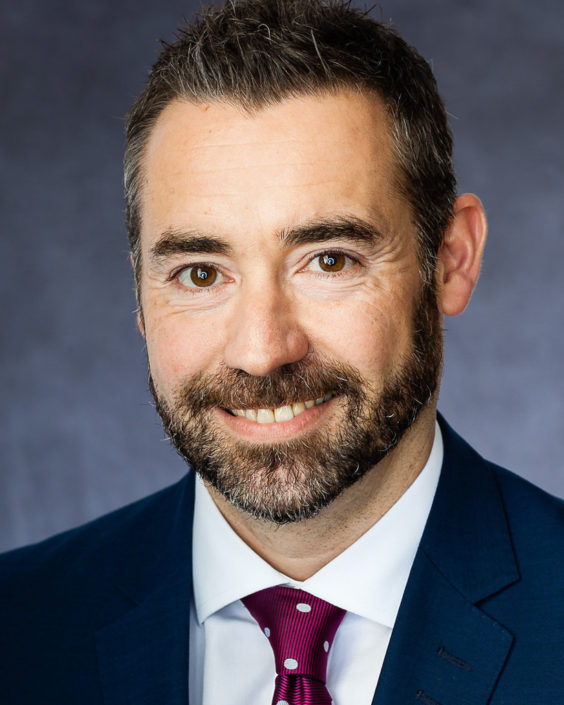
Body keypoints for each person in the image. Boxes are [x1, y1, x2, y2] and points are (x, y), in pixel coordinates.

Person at [1, 1, 563, 703]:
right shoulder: (18, 628)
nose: (263, 351)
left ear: (451, 259)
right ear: (141, 295)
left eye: (329, 260)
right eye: (201, 273)